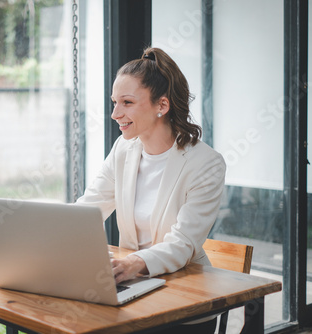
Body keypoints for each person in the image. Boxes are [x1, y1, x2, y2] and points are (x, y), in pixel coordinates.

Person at [76, 47, 226, 334]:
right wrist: (44, 237)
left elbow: (183, 244)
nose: (115, 113)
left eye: (127, 103)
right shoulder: (124, 149)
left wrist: (133, 263)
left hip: (184, 298)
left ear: (162, 105)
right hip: (132, 287)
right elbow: (88, 208)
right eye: (114, 102)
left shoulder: (206, 164)